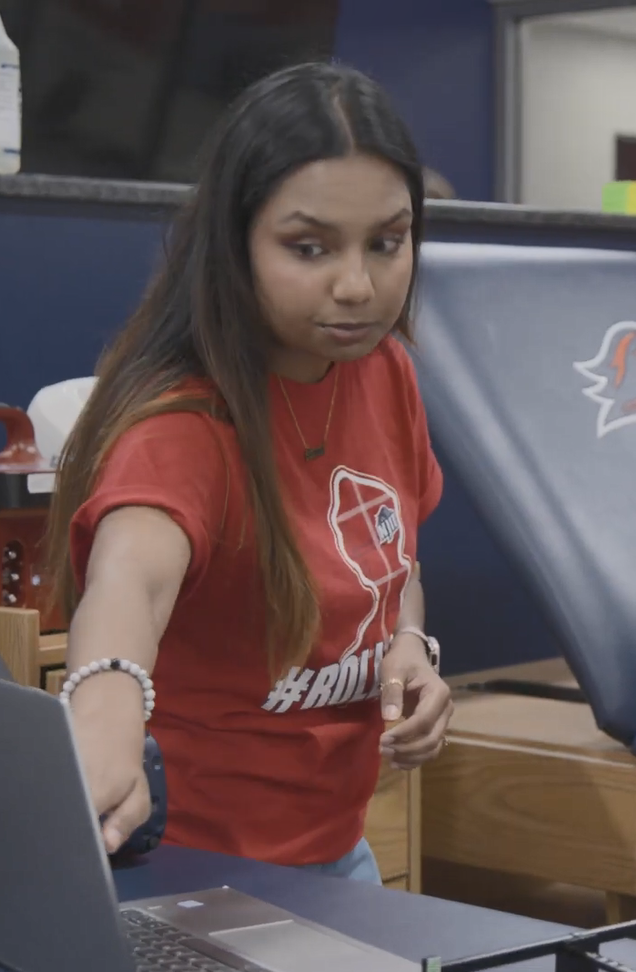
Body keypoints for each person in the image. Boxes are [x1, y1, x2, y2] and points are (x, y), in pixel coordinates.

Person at [40, 61, 453, 884]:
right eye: (309, 247)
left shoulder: (386, 372)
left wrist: (409, 644)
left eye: (387, 241)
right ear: (235, 244)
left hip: (340, 859)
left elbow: (393, 562)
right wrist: (105, 702)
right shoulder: (184, 424)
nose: (357, 285)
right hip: (186, 876)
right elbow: (129, 585)